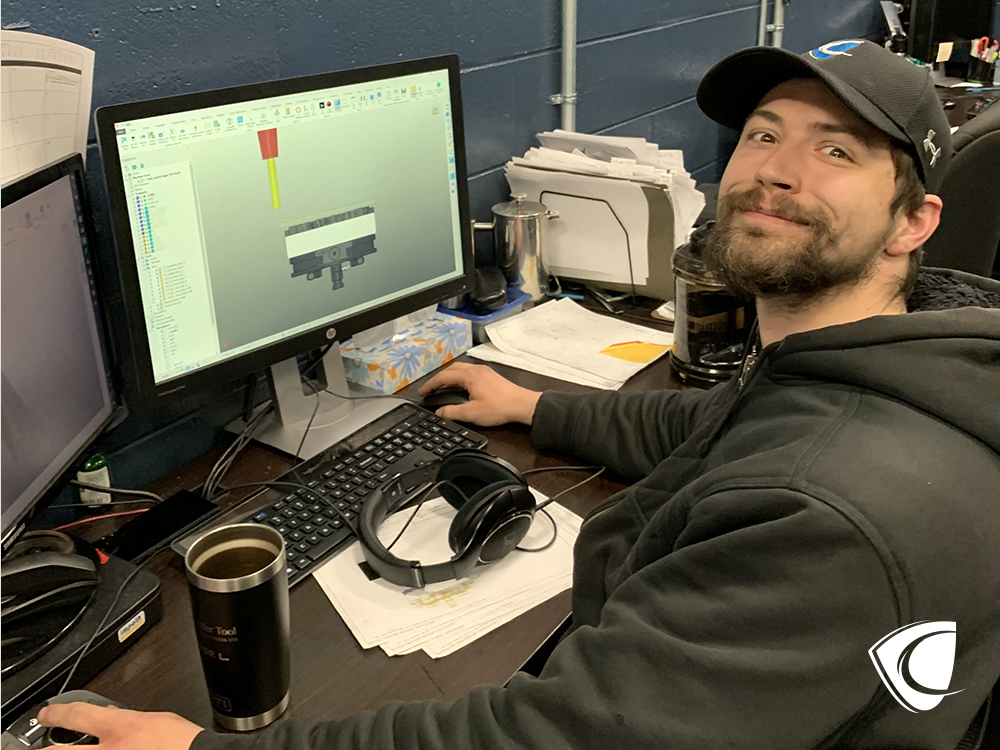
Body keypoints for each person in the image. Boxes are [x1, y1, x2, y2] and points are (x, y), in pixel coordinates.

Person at [41, 39, 1000, 750]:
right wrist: (537, 408)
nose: (774, 171)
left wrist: (201, 749)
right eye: (762, 134)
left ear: (914, 221)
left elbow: (549, 739)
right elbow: (717, 421)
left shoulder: (830, 512)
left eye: (837, 152)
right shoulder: (888, 362)